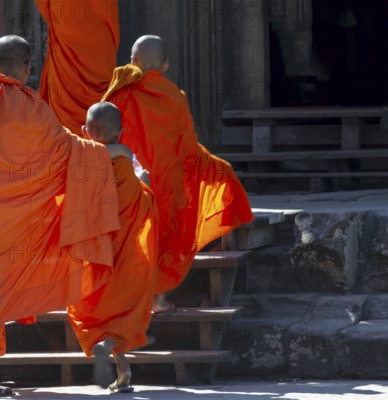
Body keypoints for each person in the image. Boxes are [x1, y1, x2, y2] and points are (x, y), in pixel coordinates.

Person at [0, 35, 124, 398]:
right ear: (28, 69)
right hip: (8, 224)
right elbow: (68, 153)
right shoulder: (32, 108)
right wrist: (109, 151)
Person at [102, 35, 254, 314]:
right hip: (167, 184)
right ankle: (157, 299)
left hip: (129, 181)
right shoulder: (175, 97)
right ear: (167, 64)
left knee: (132, 236)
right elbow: (186, 149)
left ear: (132, 63)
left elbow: (105, 134)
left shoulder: (121, 93)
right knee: (170, 231)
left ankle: (123, 299)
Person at [67, 102, 156, 393]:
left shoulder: (79, 165)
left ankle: (117, 358)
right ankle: (120, 361)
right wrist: (143, 183)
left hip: (93, 256)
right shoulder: (125, 166)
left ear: (84, 131)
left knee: (96, 305)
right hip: (126, 257)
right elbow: (143, 206)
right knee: (124, 306)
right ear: (121, 131)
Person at [36, 0, 120, 136]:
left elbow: (45, 7)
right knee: (104, 121)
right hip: (101, 45)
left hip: (67, 25)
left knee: (66, 140)